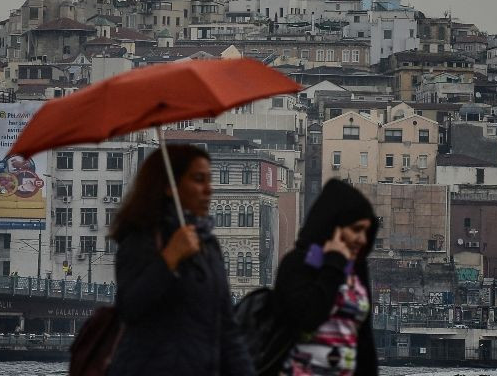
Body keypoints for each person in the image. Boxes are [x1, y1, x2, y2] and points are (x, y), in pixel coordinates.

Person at [107, 144, 253, 376]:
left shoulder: (207, 245)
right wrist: (169, 259)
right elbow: (130, 307)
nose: (209, 189)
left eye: (209, 179)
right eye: (198, 179)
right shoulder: (141, 238)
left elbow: (227, 328)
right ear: (169, 186)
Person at [274, 179, 378, 376]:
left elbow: (364, 343)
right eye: (356, 229)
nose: (362, 239)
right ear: (334, 226)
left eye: (366, 231)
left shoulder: (357, 270)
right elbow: (306, 318)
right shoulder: (297, 264)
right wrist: (333, 265)